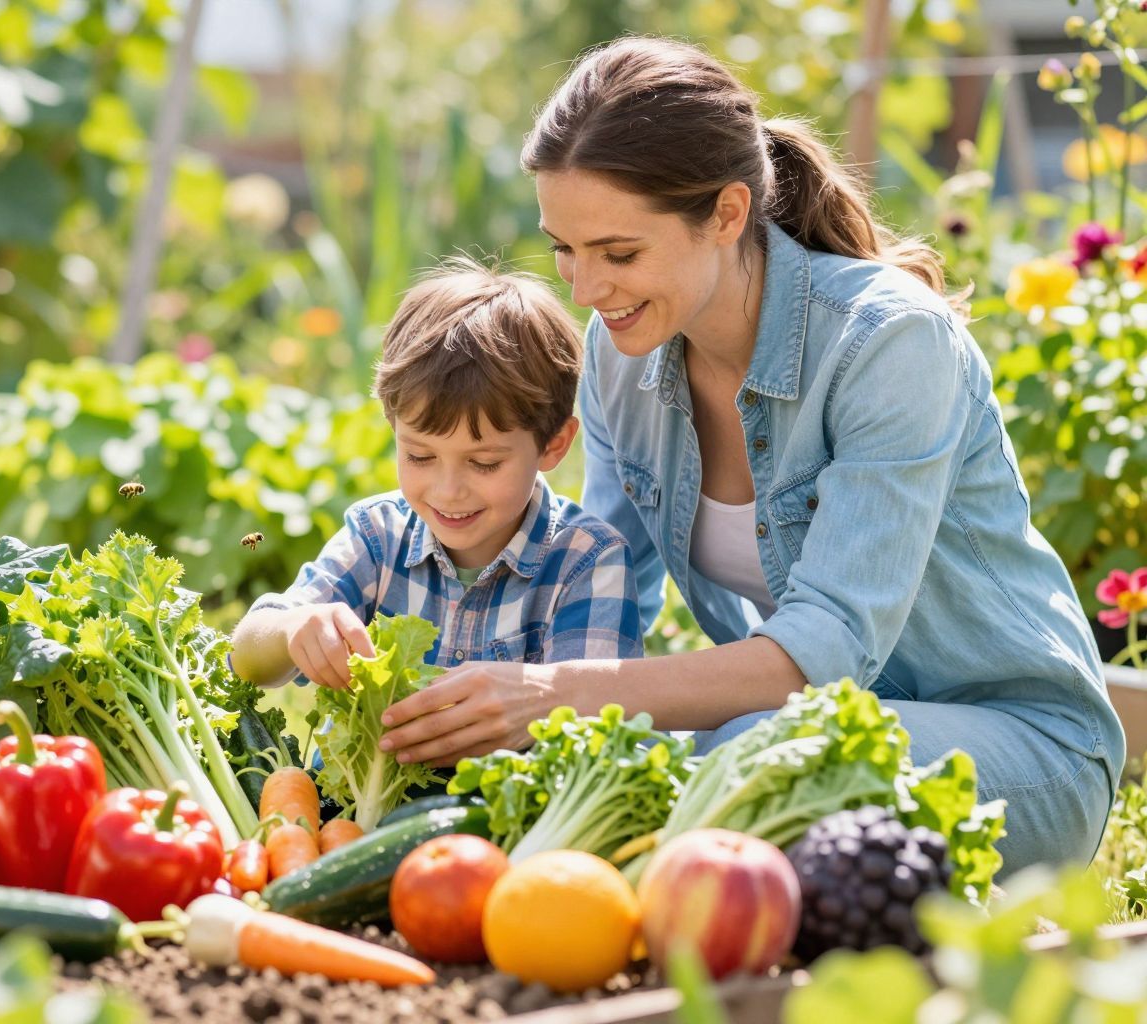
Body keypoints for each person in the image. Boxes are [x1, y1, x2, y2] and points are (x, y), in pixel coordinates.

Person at [377, 36, 1123, 875]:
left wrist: (555, 698)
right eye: (564, 249)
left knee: (736, 765)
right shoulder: (623, 357)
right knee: (630, 790)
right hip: (795, 735)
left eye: (619, 253)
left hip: (1019, 752)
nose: (584, 290)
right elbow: (600, 586)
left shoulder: (889, 344)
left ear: (728, 215)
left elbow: (826, 649)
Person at [231, 258, 644, 698]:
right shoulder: (378, 537)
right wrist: (290, 628)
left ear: (553, 445)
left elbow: (589, 733)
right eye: (420, 456)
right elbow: (247, 660)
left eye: (484, 463)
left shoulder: (587, 563)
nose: (448, 490)